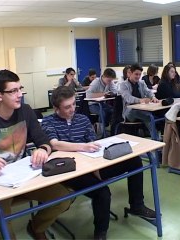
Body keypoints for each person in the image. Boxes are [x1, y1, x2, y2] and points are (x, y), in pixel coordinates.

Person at [0, 70, 71, 240]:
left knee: (63, 198)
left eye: (20, 89)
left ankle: (36, 227)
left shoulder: (26, 111)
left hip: (24, 176)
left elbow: (44, 141)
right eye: (13, 91)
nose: (20, 95)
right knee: (0, 226)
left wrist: (42, 150)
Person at [41, 86, 156, 240]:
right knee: (102, 193)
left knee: (134, 160)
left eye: (74, 104)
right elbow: (54, 144)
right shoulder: (49, 121)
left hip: (92, 165)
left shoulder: (82, 119)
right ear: (56, 108)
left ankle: (137, 205)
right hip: (71, 171)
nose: (72, 109)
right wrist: (83, 147)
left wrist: (95, 159)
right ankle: (100, 233)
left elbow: (92, 143)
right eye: (67, 107)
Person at [119, 64, 159, 135]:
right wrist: (140, 100)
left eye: (139, 74)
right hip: (129, 111)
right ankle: (156, 138)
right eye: (136, 74)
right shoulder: (123, 85)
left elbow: (148, 91)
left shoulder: (142, 83)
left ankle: (153, 135)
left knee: (155, 115)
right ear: (130, 73)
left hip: (142, 109)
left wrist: (153, 97)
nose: (138, 76)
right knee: (148, 117)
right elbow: (128, 98)